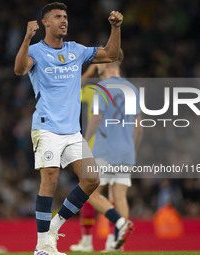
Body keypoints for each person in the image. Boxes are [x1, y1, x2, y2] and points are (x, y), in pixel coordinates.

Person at [14, 2, 128, 255]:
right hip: (46, 128)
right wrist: (26, 38)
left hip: (72, 131)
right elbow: (20, 69)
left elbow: (110, 54)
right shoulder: (35, 51)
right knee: (51, 177)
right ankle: (42, 245)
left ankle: (53, 226)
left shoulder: (76, 50)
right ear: (45, 22)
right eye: (57, 17)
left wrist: (116, 28)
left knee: (91, 180)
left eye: (65, 16)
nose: (64, 20)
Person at [70, 50, 143, 252]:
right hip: (126, 150)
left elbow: (97, 117)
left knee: (89, 193)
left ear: (108, 63)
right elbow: (139, 125)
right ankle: (119, 245)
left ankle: (120, 223)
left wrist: (84, 141)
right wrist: (133, 149)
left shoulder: (102, 87)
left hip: (104, 149)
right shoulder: (132, 89)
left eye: (101, 61)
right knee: (119, 195)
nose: (98, 64)